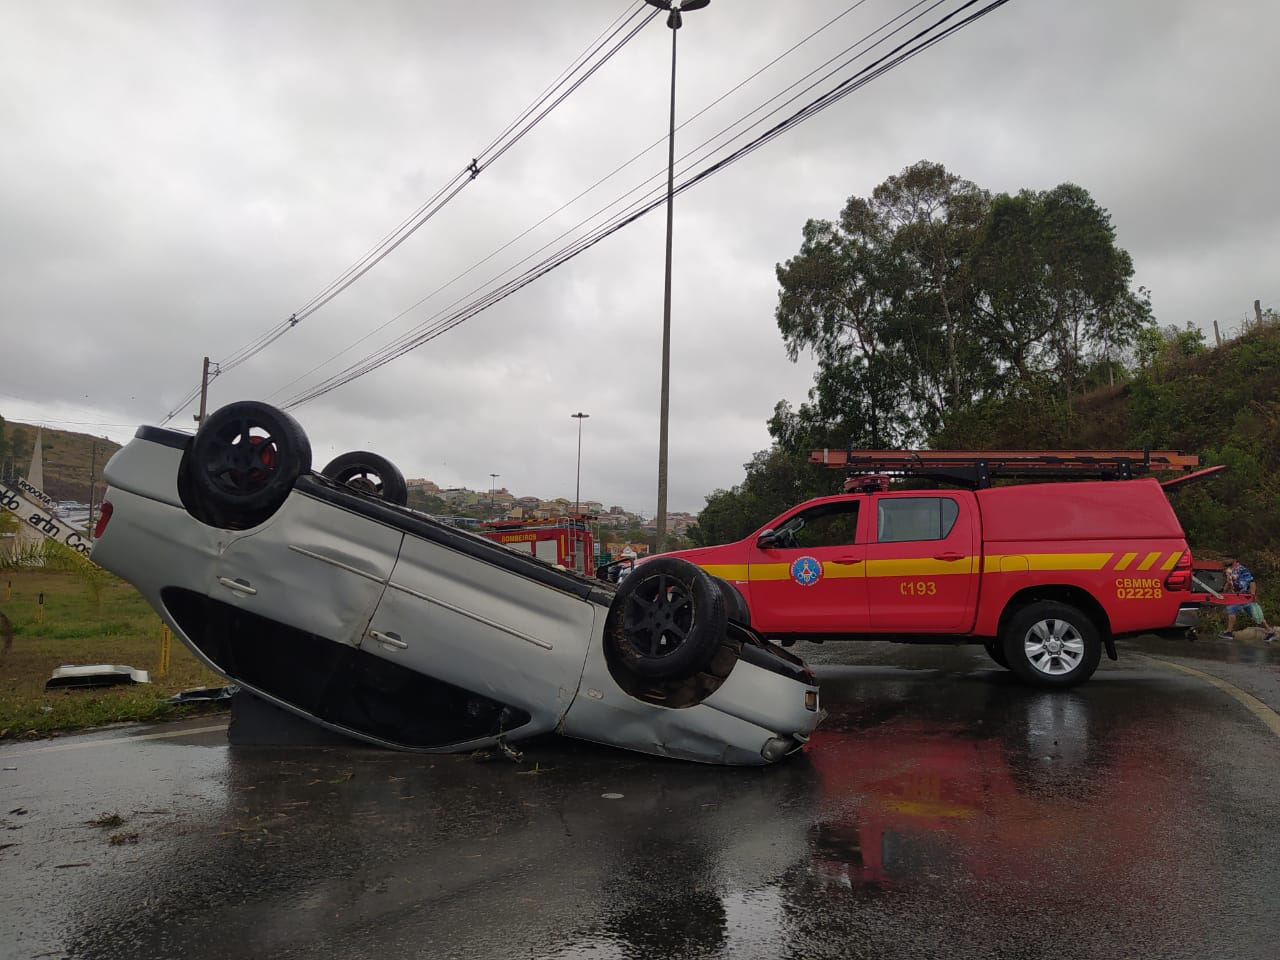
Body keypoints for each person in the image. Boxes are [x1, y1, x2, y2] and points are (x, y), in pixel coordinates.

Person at [1220, 557, 1277, 642]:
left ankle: (1228, 632)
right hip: (1238, 596)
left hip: (1245, 596)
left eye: (1227, 559)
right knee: (1255, 615)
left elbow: (1252, 582)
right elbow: (1229, 583)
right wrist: (1223, 591)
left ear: (1234, 560)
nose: (1225, 560)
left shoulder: (1242, 569)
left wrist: (1252, 595)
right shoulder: (1230, 570)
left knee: (1231, 609)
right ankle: (1270, 631)